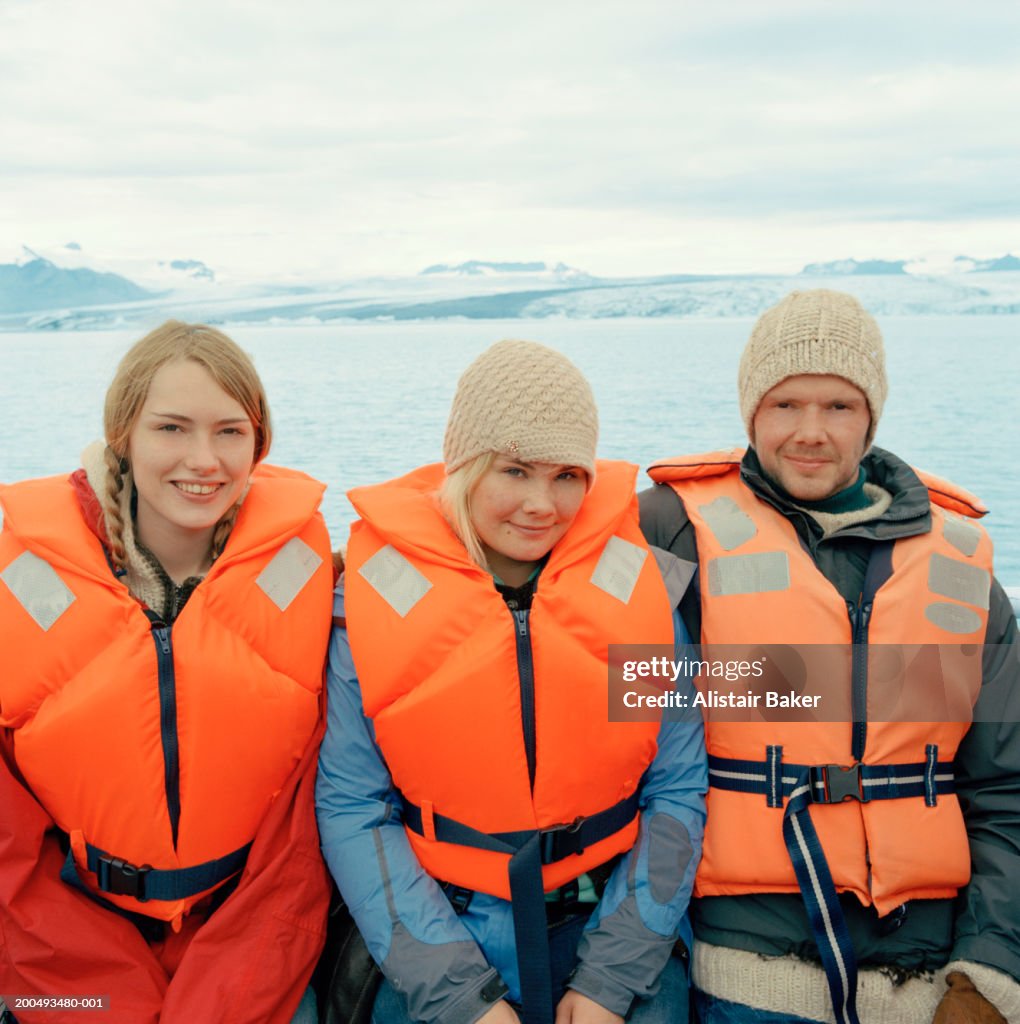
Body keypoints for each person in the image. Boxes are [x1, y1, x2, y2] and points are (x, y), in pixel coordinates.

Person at [639, 289, 1020, 1024]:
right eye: (785, 405)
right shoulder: (668, 528)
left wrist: (988, 973)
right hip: (748, 971)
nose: (810, 432)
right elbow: (625, 724)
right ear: (751, 411)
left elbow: (1006, 788)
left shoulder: (963, 558)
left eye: (839, 407)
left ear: (872, 415)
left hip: (936, 980)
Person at [316, 339, 707, 1024]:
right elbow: (353, 807)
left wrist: (612, 978)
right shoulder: (366, 610)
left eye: (567, 475)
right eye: (516, 471)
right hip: (442, 937)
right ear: (463, 466)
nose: (542, 504)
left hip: (607, 931)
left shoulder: (639, 595)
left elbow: (675, 787)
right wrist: (457, 994)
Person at [0, 322, 335, 1023]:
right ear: (123, 434)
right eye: (172, 428)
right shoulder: (18, 584)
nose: (204, 460)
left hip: (250, 935)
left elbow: (304, 828)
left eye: (230, 432)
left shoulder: (309, 578)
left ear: (258, 444)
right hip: (64, 950)